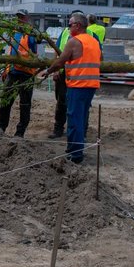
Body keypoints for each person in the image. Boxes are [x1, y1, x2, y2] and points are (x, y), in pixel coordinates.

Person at [38, 13, 101, 164]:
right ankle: (72, 149)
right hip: (91, 86)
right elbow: (99, 59)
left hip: (77, 85)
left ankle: (76, 155)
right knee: (81, 117)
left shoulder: (74, 41)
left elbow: (60, 62)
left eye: (70, 24)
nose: (68, 27)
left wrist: (47, 72)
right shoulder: (93, 41)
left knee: (74, 120)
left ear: (78, 25)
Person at [0, 9, 38, 138]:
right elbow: (11, 52)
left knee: (24, 104)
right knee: (5, 101)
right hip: (13, 72)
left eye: (22, 17)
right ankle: (1, 127)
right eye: (18, 17)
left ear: (27, 18)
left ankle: (20, 132)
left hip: (26, 73)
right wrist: (6, 69)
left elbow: (33, 53)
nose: (19, 19)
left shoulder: (30, 33)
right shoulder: (14, 32)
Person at [50, 10, 84, 139]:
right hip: (64, 72)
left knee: (79, 104)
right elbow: (57, 50)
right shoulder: (65, 32)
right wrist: (56, 70)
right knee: (61, 101)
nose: (70, 26)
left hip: (80, 74)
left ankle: (80, 132)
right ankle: (58, 129)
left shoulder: (90, 34)